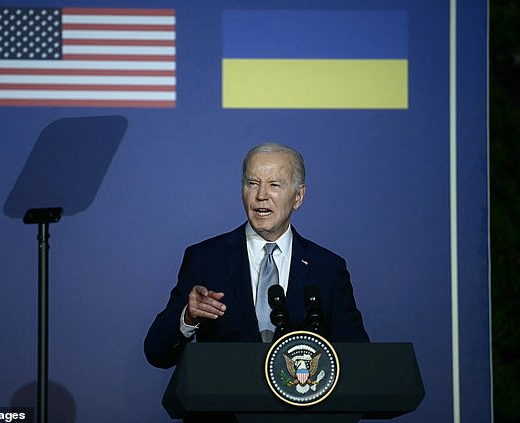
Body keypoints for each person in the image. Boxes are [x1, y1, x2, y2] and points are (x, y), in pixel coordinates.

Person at [144, 143, 369, 369]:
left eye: (274, 185)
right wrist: (189, 318)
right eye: (252, 183)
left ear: (298, 196)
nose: (261, 195)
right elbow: (157, 352)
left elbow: (358, 360)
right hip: (225, 400)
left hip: (299, 401)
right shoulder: (205, 259)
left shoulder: (327, 268)